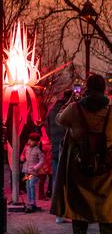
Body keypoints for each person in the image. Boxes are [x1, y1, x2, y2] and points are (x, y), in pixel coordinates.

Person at [51, 74, 112, 234]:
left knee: (79, 212)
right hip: (106, 173)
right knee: (107, 212)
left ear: (86, 89)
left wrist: (70, 100)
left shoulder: (75, 109)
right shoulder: (110, 112)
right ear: (104, 90)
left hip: (79, 170)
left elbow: (59, 119)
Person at [46, 89, 72, 223]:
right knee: (69, 181)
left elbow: (47, 128)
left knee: (57, 180)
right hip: (68, 150)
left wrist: (54, 142)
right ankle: (66, 212)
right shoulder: (71, 109)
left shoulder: (52, 110)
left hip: (56, 148)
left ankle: (58, 214)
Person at [21, 132, 44, 213]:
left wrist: (36, 167)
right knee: (27, 185)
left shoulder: (38, 150)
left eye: (32, 140)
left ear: (36, 142)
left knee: (31, 185)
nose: (30, 141)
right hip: (26, 171)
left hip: (32, 172)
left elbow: (42, 160)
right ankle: (29, 201)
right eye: (30, 139)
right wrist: (22, 158)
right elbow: (22, 156)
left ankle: (32, 202)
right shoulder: (26, 148)